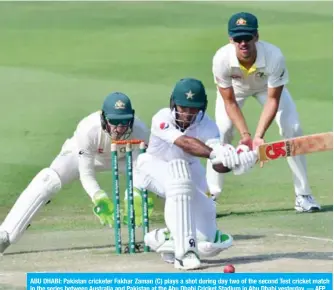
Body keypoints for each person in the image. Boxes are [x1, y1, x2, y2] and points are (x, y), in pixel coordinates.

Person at [0, 92, 151, 254]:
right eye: (114, 121)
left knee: (164, 174)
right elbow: (85, 172)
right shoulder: (88, 129)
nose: (120, 128)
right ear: (104, 118)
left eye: (124, 121)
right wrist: (98, 197)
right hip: (85, 155)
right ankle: (5, 235)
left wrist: (135, 194)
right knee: (47, 181)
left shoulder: (140, 130)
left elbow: (140, 168)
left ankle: (173, 235)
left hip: (121, 158)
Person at [132, 78, 257, 270]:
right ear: (174, 104)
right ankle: (185, 253)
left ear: (202, 108)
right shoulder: (162, 118)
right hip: (152, 167)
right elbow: (184, 142)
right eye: (183, 107)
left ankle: (165, 238)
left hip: (190, 172)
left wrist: (234, 161)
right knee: (179, 176)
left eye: (194, 108)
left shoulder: (208, 125)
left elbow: (217, 165)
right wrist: (215, 152)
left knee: (207, 243)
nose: (188, 113)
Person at [211, 12, 320, 212]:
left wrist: (258, 137)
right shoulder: (221, 59)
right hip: (235, 91)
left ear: (256, 36)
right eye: (238, 39)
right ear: (231, 39)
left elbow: (273, 99)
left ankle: (303, 195)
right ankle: (211, 196)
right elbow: (229, 101)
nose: (243, 43)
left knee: (293, 128)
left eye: (248, 37)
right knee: (222, 131)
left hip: (266, 89)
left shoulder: (273, 56)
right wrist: (246, 136)